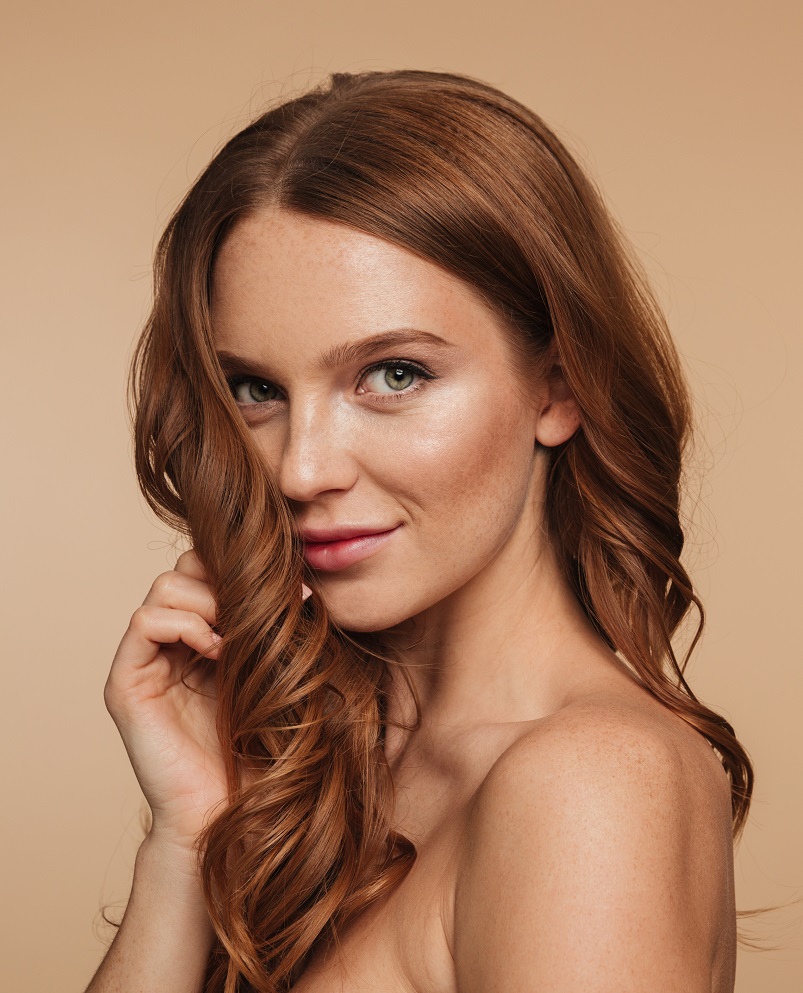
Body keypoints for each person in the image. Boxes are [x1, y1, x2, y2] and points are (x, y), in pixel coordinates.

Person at [87, 69, 753, 993]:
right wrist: (187, 834)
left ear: (557, 387)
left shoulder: (591, 783)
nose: (300, 468)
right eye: (257, 390)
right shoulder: (340, 763)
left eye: (392, 374)